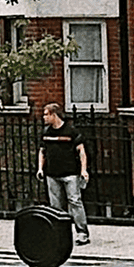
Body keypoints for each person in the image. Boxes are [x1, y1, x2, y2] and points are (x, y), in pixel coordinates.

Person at [36, 102, 90, 245]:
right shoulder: (46, 132)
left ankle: (82, 232)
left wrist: (83, 170)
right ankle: (59, 233)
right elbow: (42, 152)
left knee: (75, 201)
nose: (44, 117)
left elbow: (82, 152)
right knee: (55, 206)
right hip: (52, 173)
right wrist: (40, 169)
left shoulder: (71, 131)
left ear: (54, 115)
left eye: (46, 114)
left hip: (70, 173)